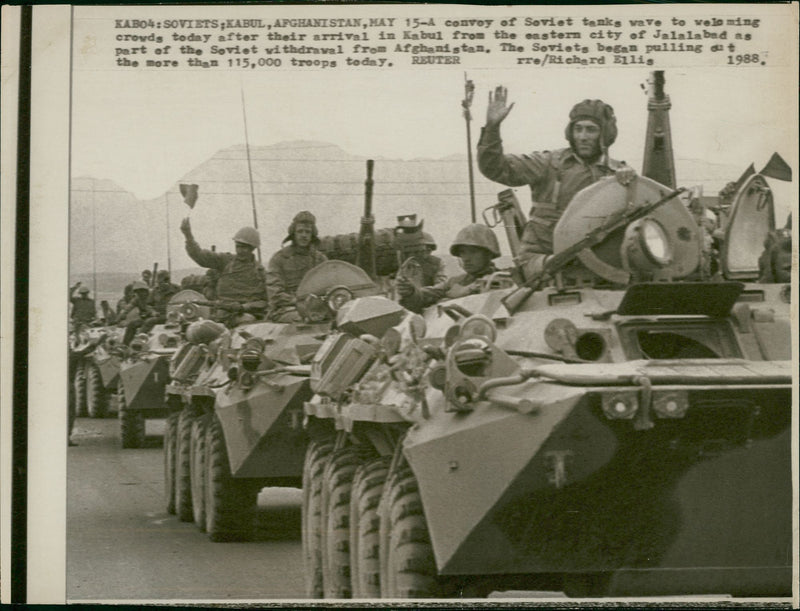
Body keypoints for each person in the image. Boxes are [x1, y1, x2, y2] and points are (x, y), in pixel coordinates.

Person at [477, 87, 637, 275]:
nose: (583, 137)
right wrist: (492, 129)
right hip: (542, 263)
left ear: (605, 134)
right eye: (578, 129)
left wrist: (629, 182)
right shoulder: (548, 164)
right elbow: (495, 168)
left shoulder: (618, 174)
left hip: (597, 266)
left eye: (591, 130)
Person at [180, 218, 268, 323]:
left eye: (244, 248)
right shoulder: (226, 261)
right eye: (238, 247)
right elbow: (200, 256)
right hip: (222, 314)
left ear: (252, 248)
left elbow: (265, 301)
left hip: (249, 317)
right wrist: (188, 236)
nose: (240, 251)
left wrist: (244, 307)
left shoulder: (260, 272)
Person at [398, 224, 500, 313]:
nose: (466, 258)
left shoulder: (503, 280)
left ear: (488, 253)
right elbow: (427, 294)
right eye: (462, 252)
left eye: (473, 252)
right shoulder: (454, 281)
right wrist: (411, 291)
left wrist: (457, 295)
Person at [266, 211, 327, 322]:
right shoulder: (279, 259)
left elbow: (329, 285)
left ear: (312, 234)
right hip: (286, 309)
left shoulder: (320, 259)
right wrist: (297, 301)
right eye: (300, 231)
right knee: (304, 319)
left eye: (307, 232)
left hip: (317, 307)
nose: (304, 235)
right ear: (293, 234)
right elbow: (275, 293)